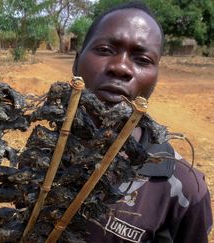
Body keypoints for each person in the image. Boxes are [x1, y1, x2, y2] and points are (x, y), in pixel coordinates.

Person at [71, 2, 212, 242]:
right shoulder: (43, 151)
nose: (120, 67)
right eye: (105, 50)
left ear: (156, 78)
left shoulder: (183, 190)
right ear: (76, 63)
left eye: (143, 59)